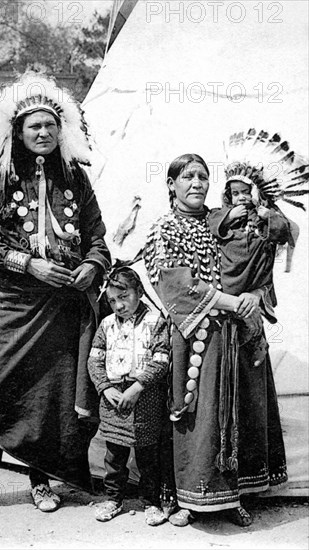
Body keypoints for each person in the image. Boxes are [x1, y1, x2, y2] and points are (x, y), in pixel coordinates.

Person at [0, 70, 111, 522]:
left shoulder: (75, 180)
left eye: (49, 125)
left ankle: (41, 479)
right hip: (16, 307)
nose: (43, 133)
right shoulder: (0, 177)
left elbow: (98, 239)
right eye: (33, 126)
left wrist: (90, 267)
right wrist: (30, 264)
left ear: (61, 130)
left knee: (50, 398)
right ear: (19, 132)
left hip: (63, 306)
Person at [143, 153, 288, 528]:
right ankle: (192, 497)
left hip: (237, 335)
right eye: (187, 177)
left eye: (203, 177)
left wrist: (254, 296)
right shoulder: (164, 229)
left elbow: (253, 265)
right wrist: (231, 303)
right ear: (171, 184)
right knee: (198, 416)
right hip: (196, 340)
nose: (196, 184)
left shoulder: (220, 221)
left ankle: (235, 496)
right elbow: (176, 286)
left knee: (240, 412)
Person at [87, 266, 170, 526]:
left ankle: (151, 501)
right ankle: (113, 498)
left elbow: (161, 360)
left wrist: (137, 387)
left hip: (145, 397)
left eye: (124, 297)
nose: (118, 305)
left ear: (140, 292)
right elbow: (94, 360)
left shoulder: (155, 322)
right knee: (114, 456)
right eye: (112, 300)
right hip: (113, 399)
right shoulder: (106, 325)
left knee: (148, 456)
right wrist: (105, 387)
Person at [209, 177, 290, 366]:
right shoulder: (221, 215)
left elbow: (282, 233)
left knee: (250, 314)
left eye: (246, 192)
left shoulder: (260, 216)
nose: (241, 198)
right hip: (230, 276)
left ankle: (256, 340)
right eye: (235, 193)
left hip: (253, 277)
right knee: (235, 313)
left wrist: (266, 214)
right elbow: (213, 224)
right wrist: (229, 216)